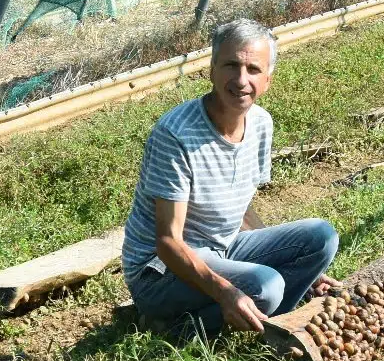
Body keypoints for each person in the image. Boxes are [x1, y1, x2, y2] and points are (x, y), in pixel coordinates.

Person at [121, 18, 339, 334]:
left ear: (268, 80)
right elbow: (168, 242)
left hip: (221, 249)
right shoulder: (176, 135)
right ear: (211, 70)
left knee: (321, 237)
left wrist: (300, 271)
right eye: (230, 65)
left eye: (253, 69)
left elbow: (242, 208)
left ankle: (272, 325)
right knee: (266, 286)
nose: (240, 80)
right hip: (159, 272)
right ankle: (169, 327)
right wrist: (226, 290)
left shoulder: (261, 125)